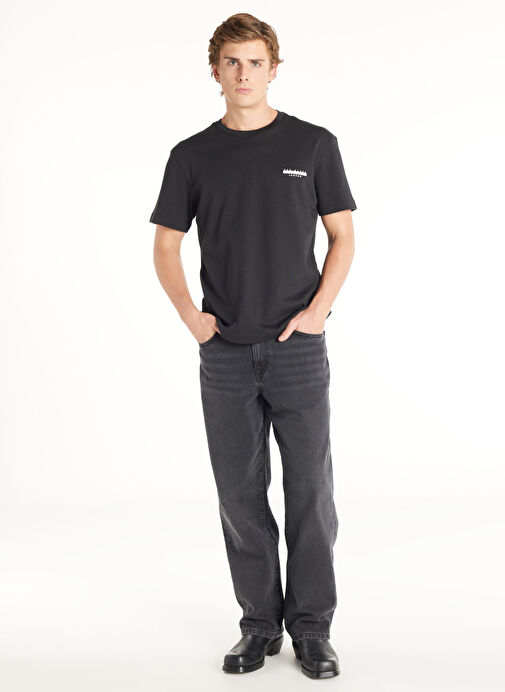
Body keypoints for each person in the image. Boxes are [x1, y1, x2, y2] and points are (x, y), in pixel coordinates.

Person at [149, 13, 356, 680]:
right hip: (226, 354)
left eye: (255, 62)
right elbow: (166, 246)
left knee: (310, 493)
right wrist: (193, 318)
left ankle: (312, 630)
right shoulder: (191, 156)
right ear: (215, 71)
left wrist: (317, 314)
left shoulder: (314, 144)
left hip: (297, 350)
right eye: (232, 62)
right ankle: (259, 626)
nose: (244, 74)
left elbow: (343, 236)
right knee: (238, 495)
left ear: (274, 68)